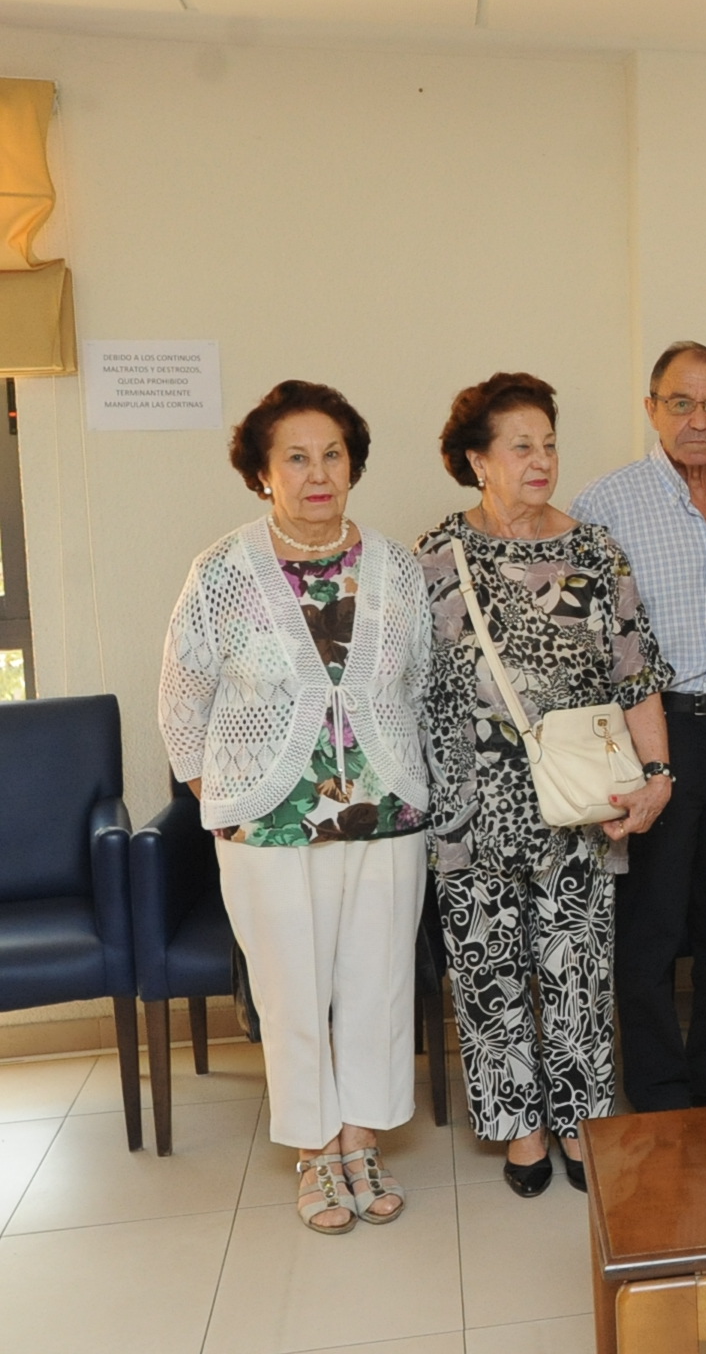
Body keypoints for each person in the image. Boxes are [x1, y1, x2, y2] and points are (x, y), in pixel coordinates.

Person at [160, 380, 431, 1234]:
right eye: (297, 458)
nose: (319, 474)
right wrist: (227, 798)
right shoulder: (223, 570)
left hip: (386, 811)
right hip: (267, 823)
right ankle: (315, 1156)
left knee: (378, 985)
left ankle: (361, 1141)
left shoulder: (394, 565)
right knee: (291, 991)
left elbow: (415, 683)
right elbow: (181, 699)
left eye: (334, 455)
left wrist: (390, 770)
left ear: (353, 463)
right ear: (261, 473)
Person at [417, 372, 673, 1197]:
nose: (542, 460)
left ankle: (575, 1120)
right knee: (488, 972)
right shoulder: (432, 558)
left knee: (577, 972)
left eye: (550, 443)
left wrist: (658, 774)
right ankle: (521, 1130)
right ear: (476, 460)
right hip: (467, 803)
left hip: (576, 800)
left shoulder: (595, 551)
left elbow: (636, 672)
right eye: (520, 445)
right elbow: (407, 687)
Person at [571, 342, 706, 1111]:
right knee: (650, 924)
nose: (699, 420)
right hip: (651, 738)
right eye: (681, 403)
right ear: (651, 408)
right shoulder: (608, 504)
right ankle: (657, 1088)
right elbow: (589, 643)